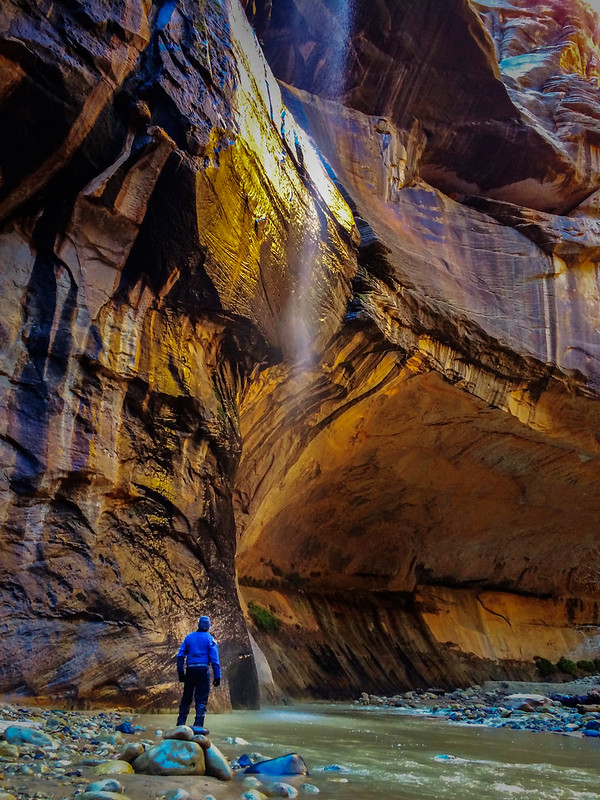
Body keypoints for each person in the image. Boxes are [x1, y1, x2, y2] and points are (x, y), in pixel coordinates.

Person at [176, 615, 221, 733]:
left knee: (187, 696)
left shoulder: (189, 637)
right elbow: (215, 660)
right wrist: (217, 676)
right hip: (203, 670)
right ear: (208, 626)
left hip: (190, 669)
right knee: (201, 698)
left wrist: (180, 672)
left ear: (199, 624)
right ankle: (198, 726)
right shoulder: (210, 639)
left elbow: (180, 656)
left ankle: (180, 723)